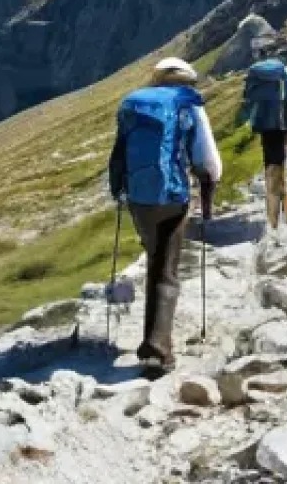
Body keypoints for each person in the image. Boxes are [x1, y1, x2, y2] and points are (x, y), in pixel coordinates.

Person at [109, 56, 222, 375]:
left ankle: (152, 343)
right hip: (174, 196)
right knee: (166, 269)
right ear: (188, 80)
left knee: (155, 258)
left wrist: (119, 187)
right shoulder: (190, 105)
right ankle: (157, 349)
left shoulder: (133, 104)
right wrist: (208, 185)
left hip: (139, 197)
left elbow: (119, 150)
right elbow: (207, 159)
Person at [242, 50, 287, 231]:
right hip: (283, 125)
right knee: (281, 165)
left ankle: (273, 217)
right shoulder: (284, 77)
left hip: (265, 128)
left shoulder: (255, 79)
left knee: (270, 165)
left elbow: (247, 102)